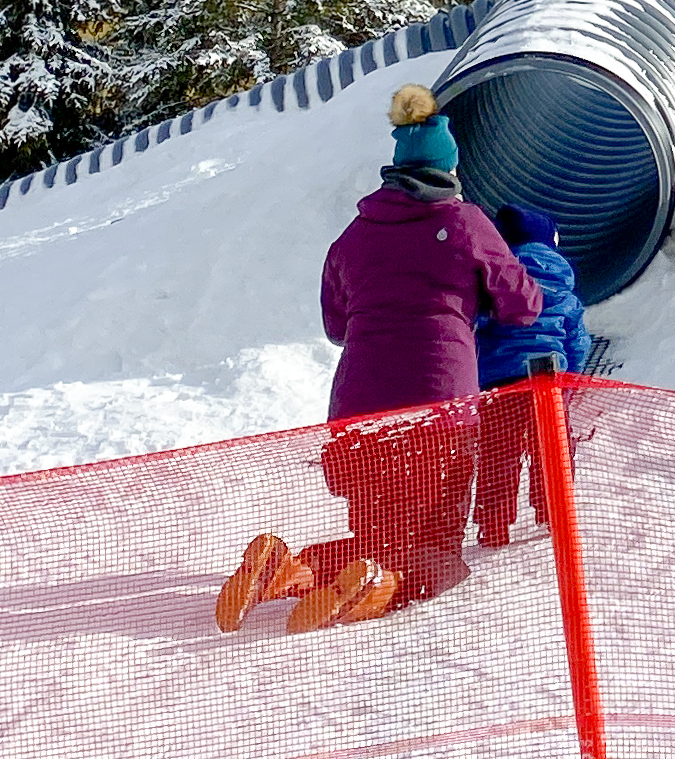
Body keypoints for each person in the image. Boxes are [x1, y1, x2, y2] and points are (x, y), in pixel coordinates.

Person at [215, 84, 539, 635]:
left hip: (357, 413)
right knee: (439, 553)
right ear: (450, 171)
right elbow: (523, 306)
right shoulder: (465, 225)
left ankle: (289, 570)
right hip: (437, 414)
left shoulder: (356, 236)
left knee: (376, 538)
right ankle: (377, 587)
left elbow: (336, 326)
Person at [470, 200, 595, 547]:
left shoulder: (497, 279)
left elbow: (477, 325)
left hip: (500, 383)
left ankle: (493, 525)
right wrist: (571, 379)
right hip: (548, 380)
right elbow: (577, 340)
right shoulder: (564, 288)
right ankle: (553, 510)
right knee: (551, 447)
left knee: (499, 453)